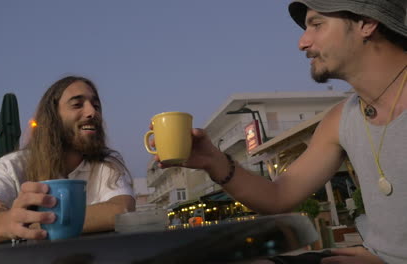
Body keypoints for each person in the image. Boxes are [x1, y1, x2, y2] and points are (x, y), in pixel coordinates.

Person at [152, 0, 406, 263]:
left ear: (366, 23)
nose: (302, 43)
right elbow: (278, 196)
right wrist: (213, 162)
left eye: (317, 24)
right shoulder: (342, 119)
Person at [0, 76, 135, 247]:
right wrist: (8, 222)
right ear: (53, 117)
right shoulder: (13, 166)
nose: (92, 112)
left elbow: (121, 210)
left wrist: (28, 223)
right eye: (78, 105)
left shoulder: (107, 163)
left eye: (96, 105)